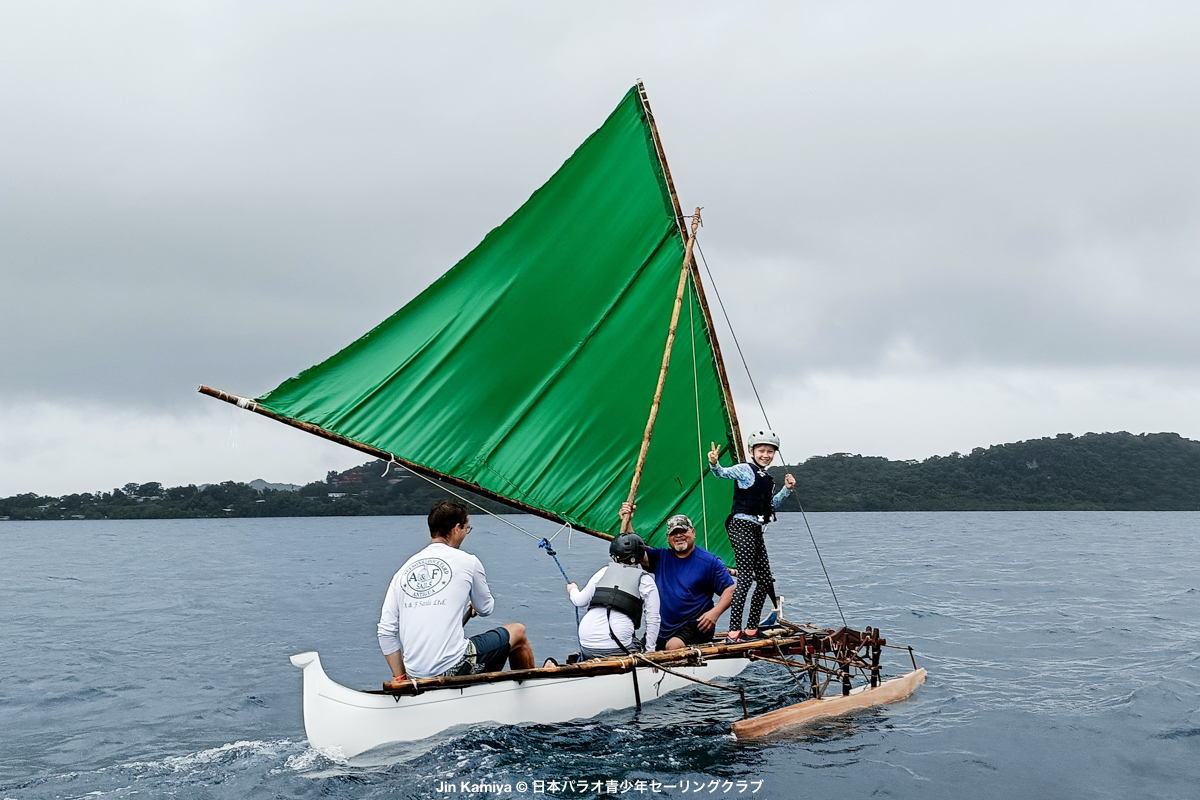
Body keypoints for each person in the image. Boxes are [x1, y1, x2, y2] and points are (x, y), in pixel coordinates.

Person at [377, 500, 534, 682]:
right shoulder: (469, 561)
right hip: (455, 666)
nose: (466, 533)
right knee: (518, 632)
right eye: (467, 528)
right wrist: (475, 604)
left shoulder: (402, 571)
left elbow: (386, 632)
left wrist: (402, 679)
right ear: (456, 528)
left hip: (415, 674)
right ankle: (529, 698)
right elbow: (485, 609)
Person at [708, 430, 796, 643]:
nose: (766, 455)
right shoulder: (744, 469)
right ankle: (733, 633)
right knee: (746, 577)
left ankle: (750, 629)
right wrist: (714, 464)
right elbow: (722, 473)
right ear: (751, 451)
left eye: (770, 451)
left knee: (765, 579)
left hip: (756, 529)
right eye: (761, 450)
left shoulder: (767, 477)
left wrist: (787, 489)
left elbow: (770, 505)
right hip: (741, 526)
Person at [620, 503, 735, 650]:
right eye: (674, 533)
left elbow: (730, 589)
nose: (679, 535)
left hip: (697, 625)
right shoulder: (661, 557)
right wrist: (627, 520)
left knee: (673, 645)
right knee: (639, 652)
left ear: (693, 532)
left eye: (683, 531)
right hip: (664, 628)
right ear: (668, 538)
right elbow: (636, 551)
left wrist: (715, 613)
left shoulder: (709, 561)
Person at [566, 533, 660, 659]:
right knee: (638, 645)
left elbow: (579, 601)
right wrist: (650, 652)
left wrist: (573, 589)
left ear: (614, 556)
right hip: (616, 646)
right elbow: (653, 618)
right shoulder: (645, 580)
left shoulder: (603, 572)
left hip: (587, 644)